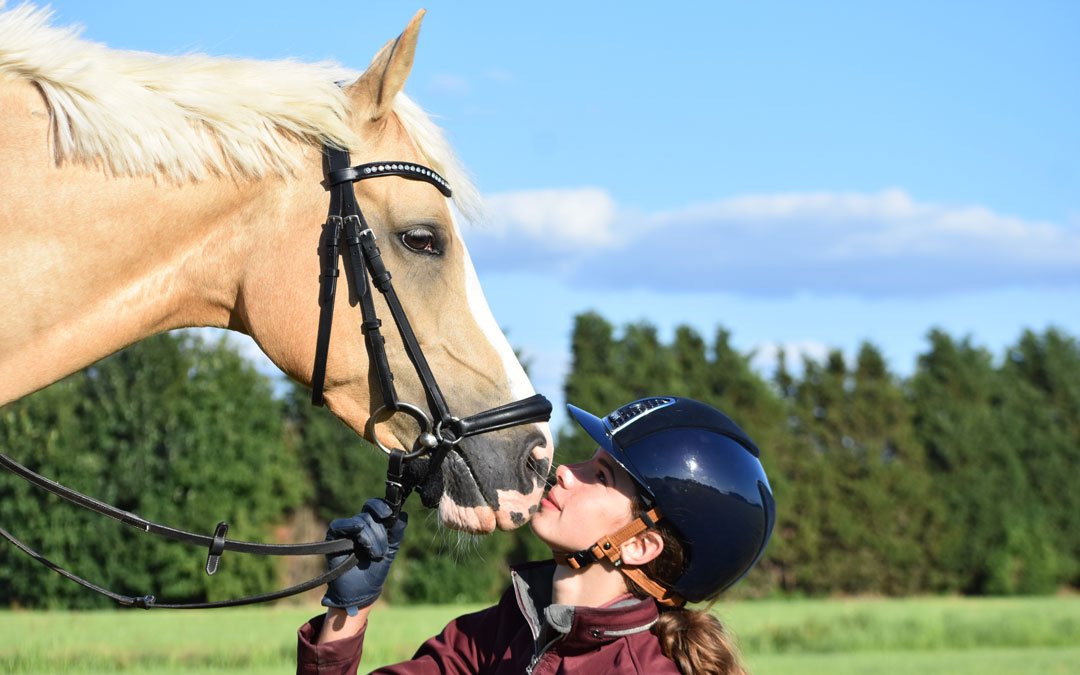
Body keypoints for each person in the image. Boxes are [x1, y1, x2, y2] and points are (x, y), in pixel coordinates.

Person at [297, 396, 776, 675]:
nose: (567, 471)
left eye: (603, 476)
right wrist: (347, 612)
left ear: (640, 544)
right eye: (589, 460)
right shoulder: (492, 635)